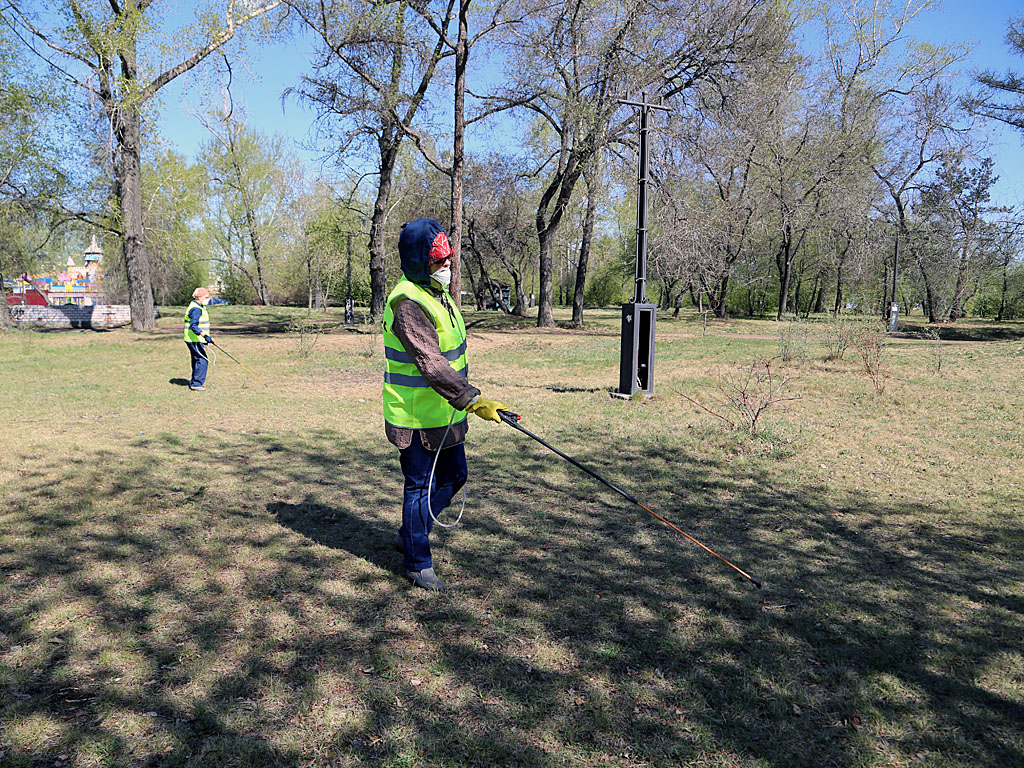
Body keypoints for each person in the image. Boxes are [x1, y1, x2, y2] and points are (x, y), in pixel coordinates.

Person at [382, 217, 509, 591]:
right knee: (419, 487)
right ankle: (418, 561)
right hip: (416, 417)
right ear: (421, 262)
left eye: (449, 260)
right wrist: (475, 400)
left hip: (446, 413)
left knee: (456, 477)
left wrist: (467, 402)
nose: (447, 267)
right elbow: (431, 364)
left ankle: (412, 529)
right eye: (440, 262)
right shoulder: (407, 301)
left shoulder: (438, 294)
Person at [184, 287, 214, 391]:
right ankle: (196, 384)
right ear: (199, 297)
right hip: (194, 339)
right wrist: (204, 335)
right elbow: (194, 326)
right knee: (202, 360)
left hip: (195, 339)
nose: (208, 299)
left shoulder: (199, 306)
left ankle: (194, 382)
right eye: (206, 297)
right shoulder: (196, 309)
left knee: (197, 359)